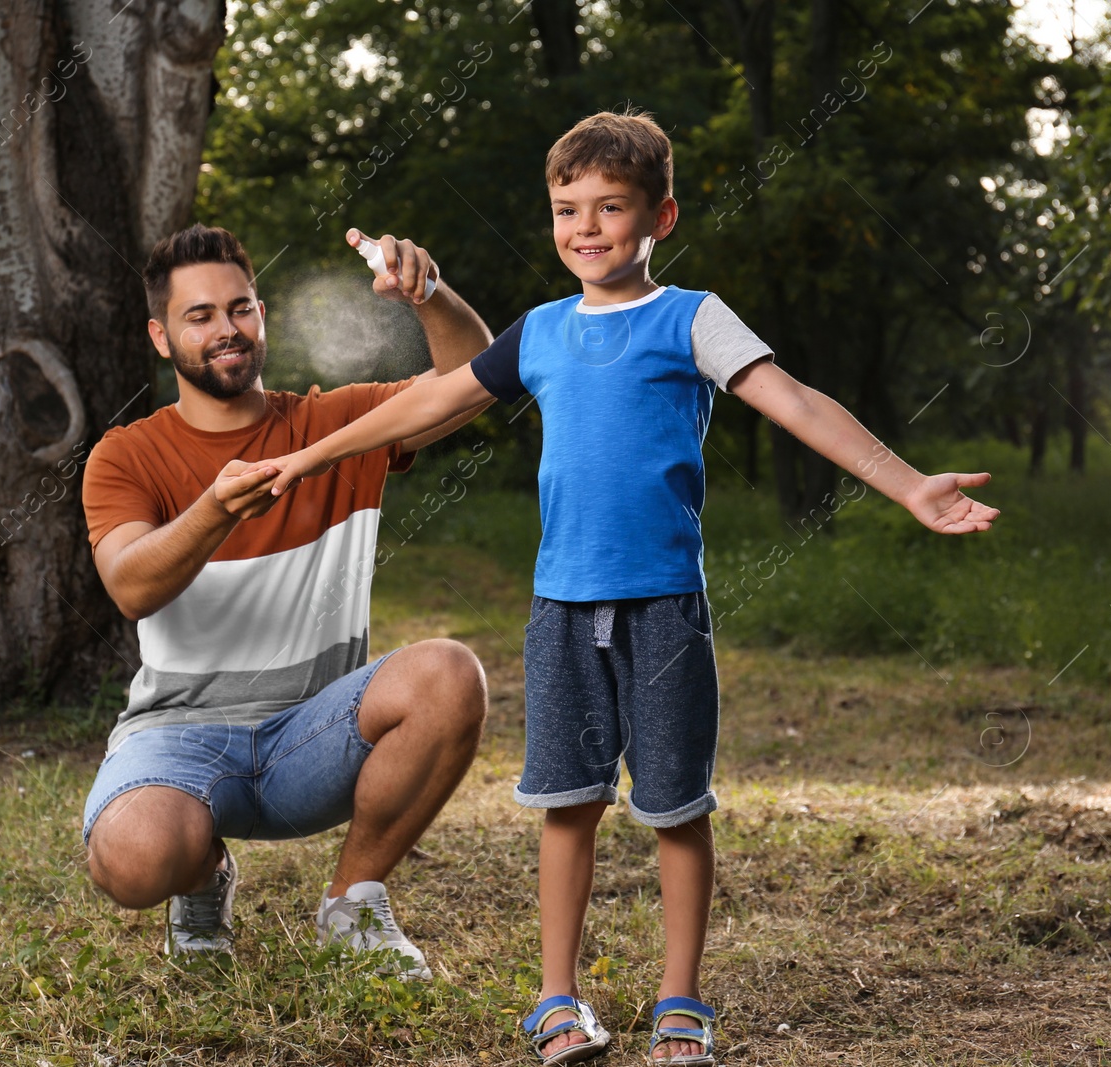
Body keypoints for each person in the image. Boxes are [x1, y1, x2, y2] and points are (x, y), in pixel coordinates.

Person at [252, 110, 1000, 1063]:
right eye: (569, 208)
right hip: (561, 610)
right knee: (569, 804)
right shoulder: (541, 331)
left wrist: (907, 484)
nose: (588, 227)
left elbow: (796, 402)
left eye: (612, 206)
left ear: (663, 216)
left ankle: (680, 1003)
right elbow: (428, 400)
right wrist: (311, 455)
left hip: (665, 612)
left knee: (676, 808)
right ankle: (557, 1002)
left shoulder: (693, 317)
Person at [81, 222, 495, 979]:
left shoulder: (335, 424)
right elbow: (131, 585)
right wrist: (212, 508)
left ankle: (353, 903)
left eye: (239, 308)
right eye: (199, 316)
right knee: (134, 860)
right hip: (181, 736)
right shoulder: (127, 454)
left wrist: (427, 294)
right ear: (162, 337)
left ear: (261, 315)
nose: (226, 329)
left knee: (450, 672)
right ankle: (200, 881)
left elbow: (482, 375)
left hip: (315, 736)